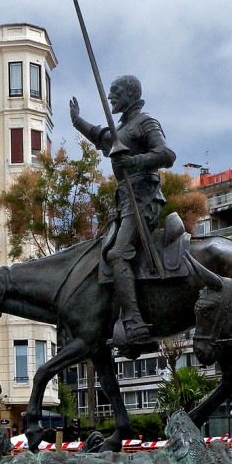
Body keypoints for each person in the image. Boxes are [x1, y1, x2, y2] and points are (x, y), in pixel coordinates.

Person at [70, 75, 176, 344]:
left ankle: (134, 320)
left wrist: (136, 162)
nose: (111, 96)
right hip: (126, 202)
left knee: (118, 253)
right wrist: (77, 121)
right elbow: (101, 136)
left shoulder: (145, 122)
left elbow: (166, 155)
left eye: (115, 92)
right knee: (103, 251)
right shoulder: (123, 130)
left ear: (130, 93)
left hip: (145, 198)